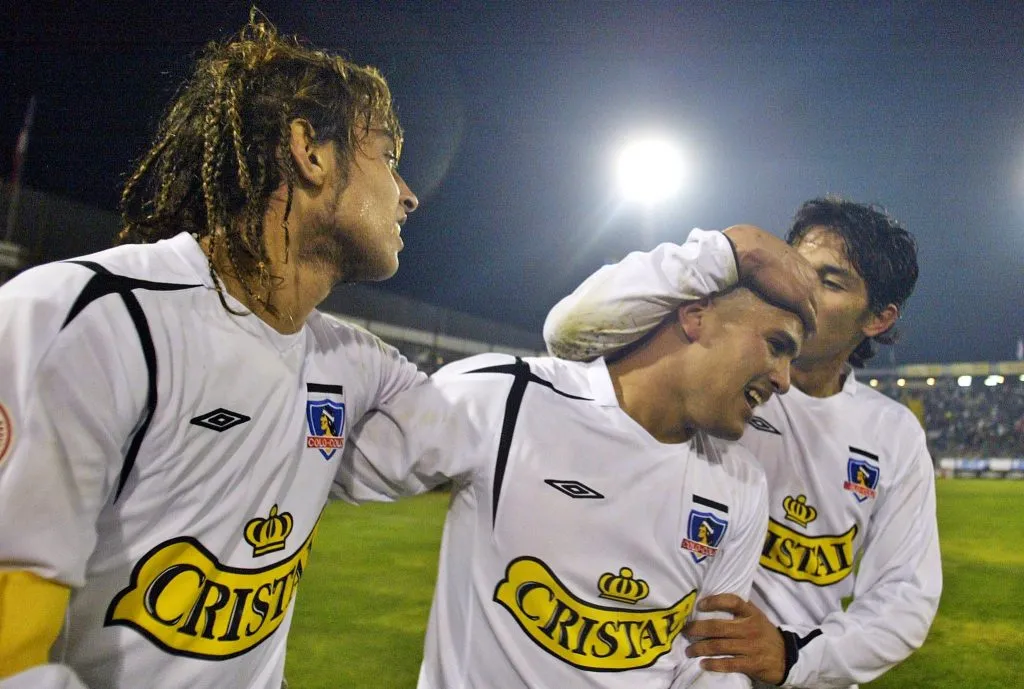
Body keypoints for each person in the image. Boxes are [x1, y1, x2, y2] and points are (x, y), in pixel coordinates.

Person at [0, 12, 421, 689]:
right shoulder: (90, 321)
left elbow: (513, 426)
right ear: (310, 151)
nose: (409, 195)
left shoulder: (359, 366)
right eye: (390, 157)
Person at [335, 225, 818, 688]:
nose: (783, 379)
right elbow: (329, 467)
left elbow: (709, 662)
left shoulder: (741, 485)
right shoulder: (509, 398)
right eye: (777, 347)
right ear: (695, 316)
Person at [544, 198, 942, 688]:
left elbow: (905, 594)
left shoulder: (892, 434)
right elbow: (568, 333)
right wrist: (730, 250)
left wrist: (795, 655)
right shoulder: (716, 372)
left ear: (878, 319)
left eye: (831, 281)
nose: (805, 291)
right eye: (798, 269)